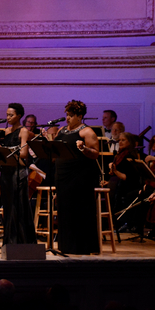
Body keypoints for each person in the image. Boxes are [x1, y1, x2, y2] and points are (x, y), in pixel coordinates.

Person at [50, 100, 100, 254]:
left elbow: (95, 153)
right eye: (67, 115)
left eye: (71, 115)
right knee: (64, 210)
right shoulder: (62, 130)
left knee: (79, 210)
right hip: (63, 175)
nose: (68, 118)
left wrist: (84, 148)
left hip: (79, 176)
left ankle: (81, 247)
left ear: (80, 116)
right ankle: (66, 246)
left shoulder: (87, 132)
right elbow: (56, 153)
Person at [0, 103, 36, 245]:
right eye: (7, 115)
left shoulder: (23, 131)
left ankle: (20, 242)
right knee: (8, 208)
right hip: (7, 172)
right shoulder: (7, 131)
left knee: (18, 207)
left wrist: (1, 148)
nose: (8, 117)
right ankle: (9, 241)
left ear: (19, 116)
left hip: (18, 173)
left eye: (11, 115)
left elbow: (23, 154)